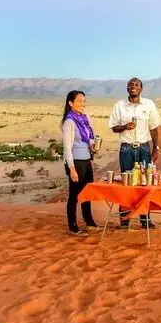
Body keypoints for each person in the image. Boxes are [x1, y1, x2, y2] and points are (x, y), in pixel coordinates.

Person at [107, 77, 161, 229]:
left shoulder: (149, 104)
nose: (133, 86)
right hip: (126, 149)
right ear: (127, 88)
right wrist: (124, 126)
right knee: (127, 185)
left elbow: (154, 128)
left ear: (141, 89)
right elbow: (113, 127)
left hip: (144, 148)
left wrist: (155, 148)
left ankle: (145, 220)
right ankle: (124, 220)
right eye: (130, 84)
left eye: (136, 84)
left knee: (145, 184)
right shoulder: (119, 106)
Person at [61, 90, 99, 236]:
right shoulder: (69, 122)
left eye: (84, 101)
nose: (83, 104)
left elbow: (89, 138)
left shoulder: (85, 119)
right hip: (75, 162)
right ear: (71, 103)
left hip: (86, 160)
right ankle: (73, 226)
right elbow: (67, 148)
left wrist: (93, 146)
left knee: (87, 193)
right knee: (74, 195)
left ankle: (89, 221)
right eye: (79, 101)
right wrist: (72, 169)